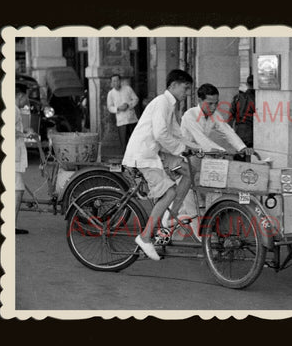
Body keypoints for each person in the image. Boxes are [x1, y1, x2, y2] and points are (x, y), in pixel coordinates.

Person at [122, 69, 197, 260]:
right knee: (169, 192)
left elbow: (177, 134)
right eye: (185, 88)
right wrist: (182, 149)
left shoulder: (171, 104)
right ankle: (145, 237)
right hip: (145, 153)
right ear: (173, 86)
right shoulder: (163, 103)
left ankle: (170, 216)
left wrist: (198, 147)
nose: (187, 93)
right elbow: (161, 134)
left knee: (189, 171)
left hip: (157, 152)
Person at [179, 83, 254, 238]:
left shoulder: (214, 115)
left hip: (202, 159)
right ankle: (201, 237)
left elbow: (227, 131)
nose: (213, 108)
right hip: (186, 160)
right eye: (210, 104)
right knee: (191, 200)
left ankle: (172, 228)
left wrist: (242, 148)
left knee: (199, 197)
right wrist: (222, 151)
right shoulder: (189, 115)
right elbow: (201, 140)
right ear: (199, 100)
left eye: (216, 104)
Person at [15, 90, 34, 235]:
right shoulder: (14, 110)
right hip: (13, 155)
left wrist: (26, 130)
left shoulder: (14, 110)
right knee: (18, 190)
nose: (26, 103)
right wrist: (25, 134)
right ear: (19, 97)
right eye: (25, 100)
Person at [228, 74, 255, 161]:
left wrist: (230, 132)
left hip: (239, 131)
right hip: (252, 132)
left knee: (240, 155)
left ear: (247, 84)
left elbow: (230, 117)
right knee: (251, 156)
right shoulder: (257, 98)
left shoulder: (237, 98)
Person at [107, 74, 139, 147]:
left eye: (117, 80)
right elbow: (110, 107)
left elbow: (136, 99)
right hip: (121, 120)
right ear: (111, 83)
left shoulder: (128, 89)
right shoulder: (111, 93)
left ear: (120, 81)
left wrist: (128, 105)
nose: (116, 82)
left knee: (134, 140)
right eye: (114, 81)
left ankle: (135, 157)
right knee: (124, 142)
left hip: (132, 119)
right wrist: (118, 108)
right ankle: (126, 157)